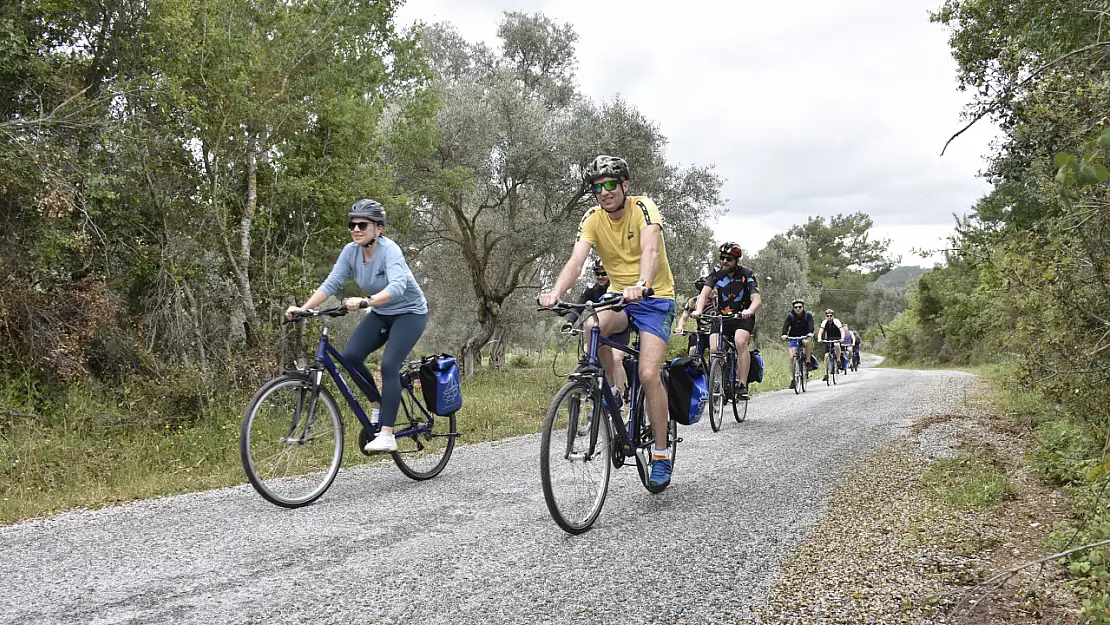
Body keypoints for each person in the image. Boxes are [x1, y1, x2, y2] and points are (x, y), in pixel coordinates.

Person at [539, 155, 678, 490]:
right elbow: (577, 259)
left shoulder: (644, 208)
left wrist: (642, 283)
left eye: (610, 184)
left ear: (625, 185)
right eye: (597, 187)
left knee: (647, 373)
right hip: (618, 296)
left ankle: (660, 453)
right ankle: (612, 390)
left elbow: (651, 251)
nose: (604, 191)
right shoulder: (592, 218)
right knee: (591, 326)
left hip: (654, 297)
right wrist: (556, 291)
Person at [285, 199, 429, 453]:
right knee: (350, 356)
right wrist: (304, 308)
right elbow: (331, 283)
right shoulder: (350, 251)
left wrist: (366, 301)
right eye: (352, 224)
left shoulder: (390, 251)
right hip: (382, 312)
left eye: (363, 224)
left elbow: (397, 287)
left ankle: (387, 434)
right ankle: (377, 403)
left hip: (410, 313)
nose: (356, 229)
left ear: (379, 229)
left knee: (388, 365)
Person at [692, 242, 762, 400]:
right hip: (722, 316)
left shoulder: (746, 274)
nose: (724, 261)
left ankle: (742, 385)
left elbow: (757, 299)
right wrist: (698, 310)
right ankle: (719, 379)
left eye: (728, 259)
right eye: (721, 258)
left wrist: (749, 310)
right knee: (714, 347)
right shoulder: (716, 272)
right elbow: (704, 294)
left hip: (742, 317)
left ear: (736, 260)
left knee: (740, 342)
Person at [560, 259, 631, 391]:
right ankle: (595, 392)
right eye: (597, 273)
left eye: (603, 273)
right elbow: (580, 305)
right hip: (600, 329)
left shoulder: (619, 288)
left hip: (617, 332)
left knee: (616, 358)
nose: (600, 276)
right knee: (587, 352)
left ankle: (618, 393)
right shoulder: (593, 290)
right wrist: (570, 322)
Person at [674, 277, 719, 358]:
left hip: (715, 332)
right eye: (712, 289)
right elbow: (684, 317)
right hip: (701, 333)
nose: (714, 291)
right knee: (693, 350)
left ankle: (717, 368)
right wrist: (680, 327)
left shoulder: (718, 301)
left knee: (715, 353)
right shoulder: (693, 302)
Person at [780, 298, 815, 389]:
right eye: (796, 307)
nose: (798, 309)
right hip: (794, 337)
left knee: (806, 342)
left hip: (805, 336)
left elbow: (811, 326)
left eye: (800, 307)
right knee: (792, 357)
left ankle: (807, 361)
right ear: (793, 308)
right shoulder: (790, 316)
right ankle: (793, 378)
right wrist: (784, 335)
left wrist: (810, 333)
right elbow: (785, 326)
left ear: (803, 307)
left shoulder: (808, 316)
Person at [816, 308, 843, 381]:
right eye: (828, 316)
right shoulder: (824, 322)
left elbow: (841, 330)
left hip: (837, 337)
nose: (829, 317)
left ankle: (838, 359)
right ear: (826, 316)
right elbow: (821, 331)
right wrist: (819, 338)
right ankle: (826, 374)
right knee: (826, 355)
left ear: (833, 316)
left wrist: (842, 337)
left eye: (831, 315)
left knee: (837, 345)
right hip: (829, 338)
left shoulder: (836, 321)